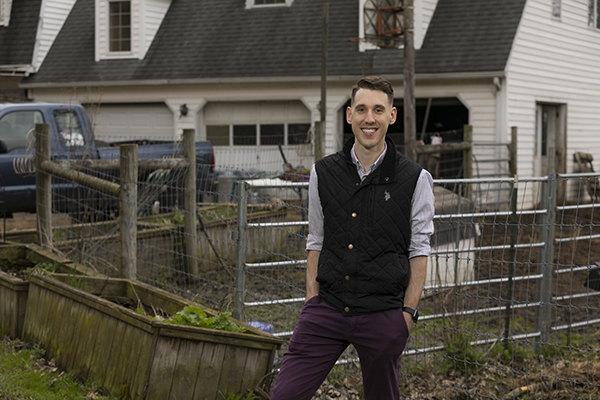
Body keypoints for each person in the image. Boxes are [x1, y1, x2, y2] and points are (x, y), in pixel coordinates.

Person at [269, 76, 435, 400]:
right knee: (284, 395)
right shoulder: (323, 172)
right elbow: (316, 238)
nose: (368, 118)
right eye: (361, 109)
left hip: (383, 314)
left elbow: (419, 249)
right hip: (327, 309)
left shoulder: (416, 179)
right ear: (349, 115)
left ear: (392, 115)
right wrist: (311, 299)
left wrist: (407, 316)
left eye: (377, 109)